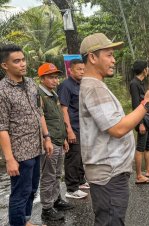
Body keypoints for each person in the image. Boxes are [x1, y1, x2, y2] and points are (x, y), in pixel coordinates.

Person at [79, 33, 149, 226]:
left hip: (110, 171)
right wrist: (147, 104)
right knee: (110, 221)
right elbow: (117, 128)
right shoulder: (94, 88)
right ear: (92, 57)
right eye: (109, 55)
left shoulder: (95, 85)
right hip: (109, 174)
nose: (114, 60)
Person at [0, 44, 53, 226]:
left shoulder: (30, 83)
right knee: (20, 192)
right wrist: (9, 159)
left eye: (23, 60)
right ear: (5, 65)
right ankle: (17, 223)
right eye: (16, 61)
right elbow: (2, 127)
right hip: (20, 153)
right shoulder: (2, 91)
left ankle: (25, 220)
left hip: (36, 147)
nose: (22, 64)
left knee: (31, 189)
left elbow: (39, 111)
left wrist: (47, 137)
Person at [37, 63, 74, 221]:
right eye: (51, 77)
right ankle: (47, 208)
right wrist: (47, 140)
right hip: (49, 143)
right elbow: (40, 119)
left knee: (58, 174)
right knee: (48, 176)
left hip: (59, 140)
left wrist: (65, 137)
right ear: (43, 78)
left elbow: (58, 118)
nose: (55, 80)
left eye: (56, 77)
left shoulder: (54, 94)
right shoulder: (39, 94)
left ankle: (56, 199)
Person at [57, 59, 89, 199]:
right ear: (71, 70)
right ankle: (71, 189)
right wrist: (68, 130)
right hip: (73, 127)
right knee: (73, 157)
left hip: (82, 126)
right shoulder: (66, 85)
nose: (82, 71)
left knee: (81, 155)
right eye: (79, 69)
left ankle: (80, 180)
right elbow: (63, 109)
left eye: (83, 69)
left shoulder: (81, 84)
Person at [129, 60, 149, 184]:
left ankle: (148, 170)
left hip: (147, 118)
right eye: (147, 68)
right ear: (144, 70)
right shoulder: (134, 84)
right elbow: (136, 105)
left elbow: (145, 102)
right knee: (140, 147)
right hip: (141, 120)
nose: (148, 69)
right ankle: (138, 175)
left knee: (148, 146)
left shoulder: (142, 83)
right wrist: (140, 123)